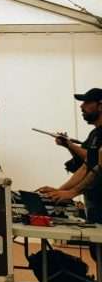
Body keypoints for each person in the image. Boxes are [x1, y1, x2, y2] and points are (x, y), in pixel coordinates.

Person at [39, 88, 102, 229]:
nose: (81, 106)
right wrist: (59, 191)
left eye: (86, 102)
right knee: (96, 247)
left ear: (100, 105)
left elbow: (97, 163)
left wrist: (72, 192)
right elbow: (85, 165)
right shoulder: (95, 133)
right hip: (94, 201)